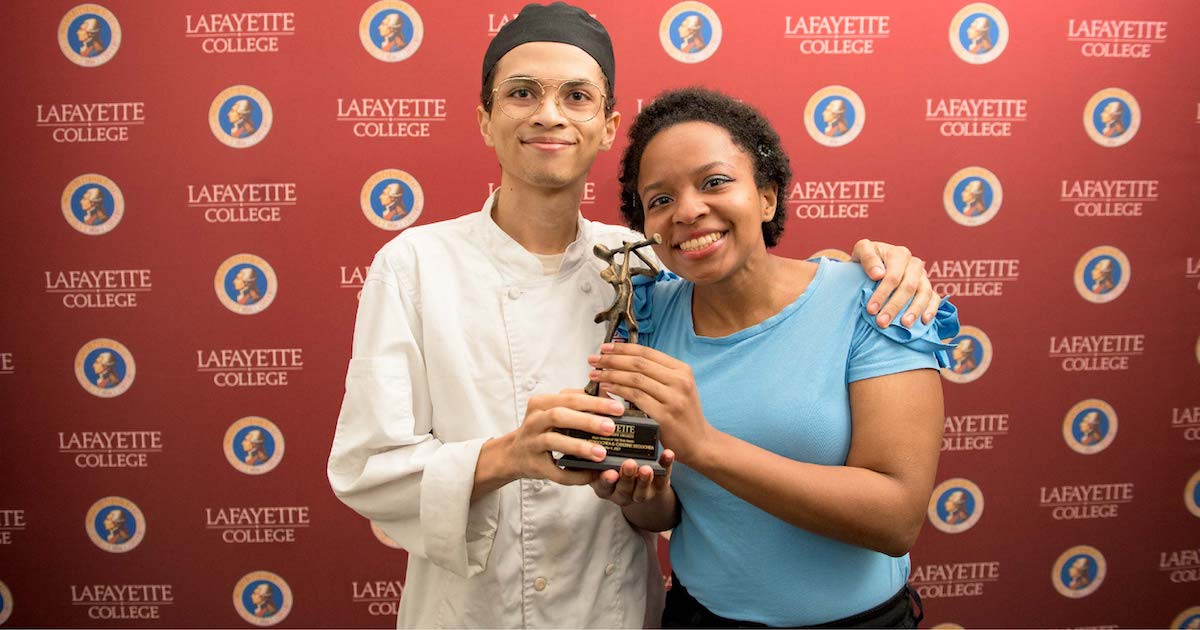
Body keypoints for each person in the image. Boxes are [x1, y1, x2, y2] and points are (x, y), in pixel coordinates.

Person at [327, 4, 940, 628]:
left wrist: (872, 266)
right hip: (472, 609)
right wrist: (509, 454)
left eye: (576, 95)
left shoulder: (645, 264)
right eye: (520, 93)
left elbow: (758, 286)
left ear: (607, 124)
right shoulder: (413, 266)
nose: (548, 113)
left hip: (615, 605)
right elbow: (366, 471)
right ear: (485, 120)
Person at [586, 87, 956, 628]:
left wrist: (705, 445)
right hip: (698, 617)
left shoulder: (877, 299)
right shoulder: (647, 315)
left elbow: (895, 518)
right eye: (660, 199)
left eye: (714, 182)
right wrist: (639, 494)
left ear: (767, 197)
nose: (687, 211)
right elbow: (670, 510)